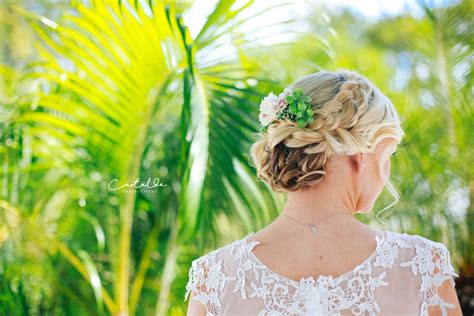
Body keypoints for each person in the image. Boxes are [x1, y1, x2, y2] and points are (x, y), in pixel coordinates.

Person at [184, 70, 462, 315]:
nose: (387, 172)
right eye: (387, 155)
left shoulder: (214, 277)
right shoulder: (422, 266)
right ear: (361, 155)